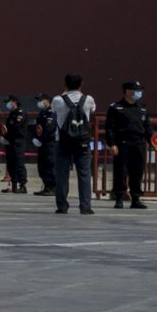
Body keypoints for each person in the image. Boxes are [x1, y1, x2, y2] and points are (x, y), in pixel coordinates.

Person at [51, 72, 97, 215]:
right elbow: (92, 111)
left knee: (62, 174)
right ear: (81, 84)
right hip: (82, 142)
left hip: (63, 141)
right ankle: (85, 206)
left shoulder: (57, 100)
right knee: (84, 174)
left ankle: (62, 206)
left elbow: (54, 112)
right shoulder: (88, 99)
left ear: (65, 84)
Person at [105, 80, 151, 209]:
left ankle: (136, 198)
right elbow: (110, 128)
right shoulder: (116, 107)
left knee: (137, 171)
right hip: (122, 144)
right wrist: (112, 144)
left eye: (140, 90)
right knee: (121, 171)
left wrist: (152, 141)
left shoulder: (142, 109)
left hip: (139, 143)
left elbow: (147, 127)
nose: (139, 93)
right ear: (127, 91)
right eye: (136, 90)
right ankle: (119, 197)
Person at [0, 95, 27, 194]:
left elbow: (16, 128)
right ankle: (14, 185)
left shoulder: (20, 114)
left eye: (8, 102)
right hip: (10, 143)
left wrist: (8, 137)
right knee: (11, 164)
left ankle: (22, 186)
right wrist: (4, 138)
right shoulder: (11, 114)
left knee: (19, 163)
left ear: (14, 101)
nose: (7, 104)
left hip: (18, 142)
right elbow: (7, 129)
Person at [32, 93, 58, 195]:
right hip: (42, 144)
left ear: (47, 101)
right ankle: (47, 186)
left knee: (50, 165)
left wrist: (41, 139)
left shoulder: (52, 113)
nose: (39, 102)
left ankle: (54, 188)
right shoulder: (42, 113)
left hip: (50, 144)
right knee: (42, 167)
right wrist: (35, 138)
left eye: (41, 100)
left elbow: (49, 129)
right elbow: (38, 128)